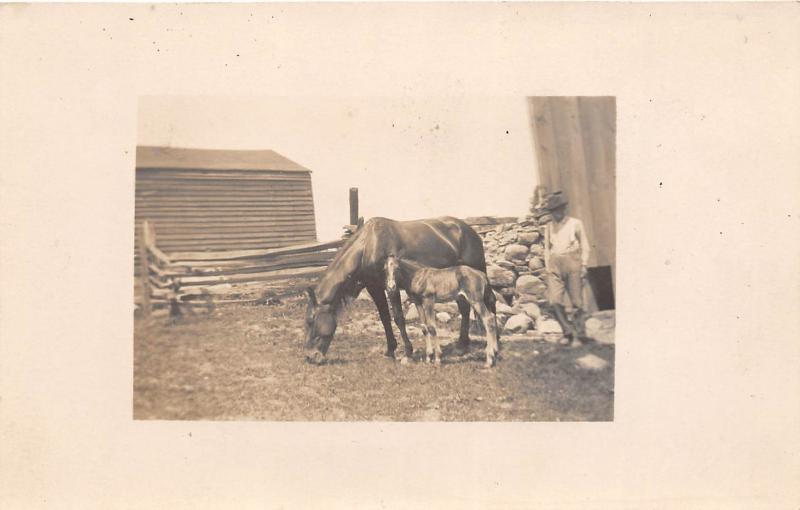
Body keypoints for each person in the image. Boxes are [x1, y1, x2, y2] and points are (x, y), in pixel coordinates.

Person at [542, 192, 591, 344]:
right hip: (555, 265)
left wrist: (583, 264)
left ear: (563, 209)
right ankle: (567, 332)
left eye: (558, 209)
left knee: (577, 302)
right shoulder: (549, 227)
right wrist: (548, 265)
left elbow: (585, 245)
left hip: (572, 262)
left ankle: (580, 334)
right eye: (552, 211)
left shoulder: (575, 223)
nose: (555, 213)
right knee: (554, 301)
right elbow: (546, 248)